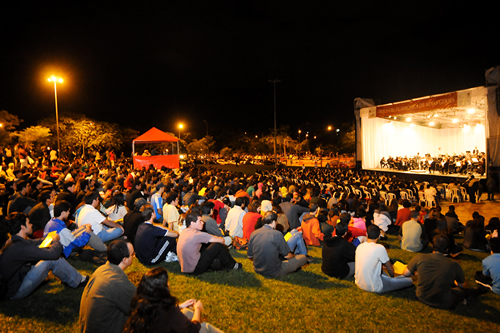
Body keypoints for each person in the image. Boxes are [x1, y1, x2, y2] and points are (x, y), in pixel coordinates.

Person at [0, 212, 87, 300]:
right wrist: (56, 241)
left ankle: (70, 277)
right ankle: (79, 280)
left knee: (44, 251)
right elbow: (54, 254)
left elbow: (36, 242)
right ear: (22, 227)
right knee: (49, 260)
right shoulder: (20, 247)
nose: (31, 224)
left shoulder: (13, 241)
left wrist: (49, 238)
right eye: (29, 223)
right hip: (15, 291)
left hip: (15, 281)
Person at [123, 267, 223, 333]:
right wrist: (198, 309)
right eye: (167, 282)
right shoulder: (168, 310)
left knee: (186, 312)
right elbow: (192, 330)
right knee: (204, 327)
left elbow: (159, 317)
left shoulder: (140, 302)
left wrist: (179, 306)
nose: (169, 284)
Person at [403, 234, 488, 309]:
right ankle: (478, 291)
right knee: (463, 291)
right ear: (447, 249)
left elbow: (406, 273)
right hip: (444, 301)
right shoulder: (453, 264)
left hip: (421, 296)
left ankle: (477, 291)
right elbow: (462, 285)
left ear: (432, 246)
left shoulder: (420, 258)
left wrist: (417, 272)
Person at [79, 239, 137, 333]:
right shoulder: (118, 282)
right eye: (132, 254)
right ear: (125, 260)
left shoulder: (102, 269)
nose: (134, 256)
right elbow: (141, 305)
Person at [247, 211, 309, 278]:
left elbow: (250, 256)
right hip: (275, 271)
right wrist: (295, 256)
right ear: (273, 222)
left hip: (257, 269)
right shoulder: (277, 234)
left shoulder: (254, 233)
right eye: (276, 222)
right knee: (303, 258)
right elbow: (287, 256)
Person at [177, 212, 241, 274]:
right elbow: (221, 241)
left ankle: (218, 263)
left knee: (207, 246)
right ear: (192, 223)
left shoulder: (184, 232)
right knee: (217, 246)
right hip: (195, 269)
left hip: (185, 268)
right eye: (200, 221)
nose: (202, 223)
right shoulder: (197, 234)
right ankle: (233, 265)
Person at [355, 224, 413, 293]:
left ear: (367, 234)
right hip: (374, 286)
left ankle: (396, 278)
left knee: (388, 277)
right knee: (409, 281)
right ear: (379, 236)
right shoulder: (380, 248)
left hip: (359, 283)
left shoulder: (360, 246)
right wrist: (392, 277)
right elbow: (390, 268)